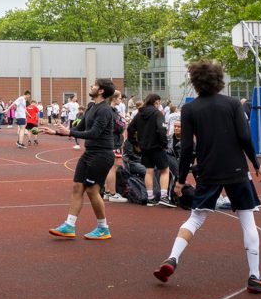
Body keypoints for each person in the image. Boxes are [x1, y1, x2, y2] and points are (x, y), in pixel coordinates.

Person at [153, 60, 261, 293]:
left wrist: (181, 179)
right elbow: (245, 137)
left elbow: (186, 148)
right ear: (219, 79)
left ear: (195, 81)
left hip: (207, 170)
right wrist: (256, 164)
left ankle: (172, 258)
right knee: (248, 220)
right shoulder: (233, 103)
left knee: (195, 219)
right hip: (236, 169)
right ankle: (255, 276)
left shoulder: (189, 109)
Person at [43, 78, 117, 240]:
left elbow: (95, 133)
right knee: (77, 186)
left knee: (92, 190)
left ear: (101, 90)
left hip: (102, 155)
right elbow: (81, 128)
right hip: (89, 153)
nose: (92, 86)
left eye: (95, 85)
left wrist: (69, 133)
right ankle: (69, 226)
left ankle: (103, 228)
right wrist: (57, 132)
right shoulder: (91, 106)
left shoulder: (104, 110)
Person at [128, 94, 175, 208]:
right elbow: (161, 129)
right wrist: (164, 143)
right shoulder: (157, 113)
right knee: (165, 170)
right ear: (157, 102)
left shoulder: (139, 113)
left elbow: (130, 128)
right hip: (157, 146)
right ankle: (164, 196)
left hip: (144, 147)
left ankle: (150, 198)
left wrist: (135, 143)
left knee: (149, 171)